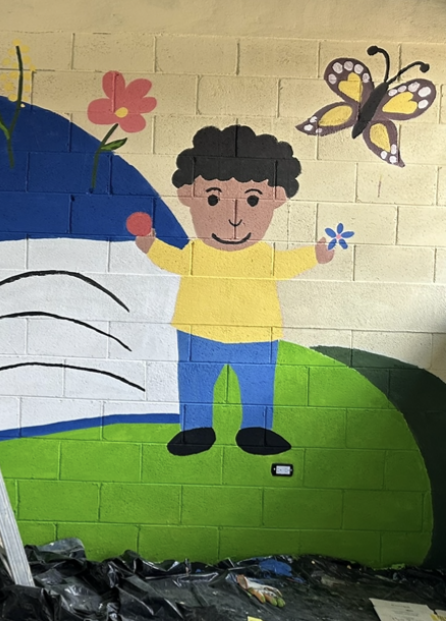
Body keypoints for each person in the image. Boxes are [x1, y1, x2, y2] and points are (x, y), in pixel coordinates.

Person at [133, 125, 334, 457]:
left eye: (253, 199)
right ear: (189, 194)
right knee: (196, 382)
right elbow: (173, 260)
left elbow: (286, 265)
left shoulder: (264, 256)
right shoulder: (196, 252)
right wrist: (151, 245)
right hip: (197, 329)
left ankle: (256, 428)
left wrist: (315, 254)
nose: (235, 216)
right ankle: (196, 428)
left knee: (257, 385)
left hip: (256, 333)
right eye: (213, 197)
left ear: (276, 198)